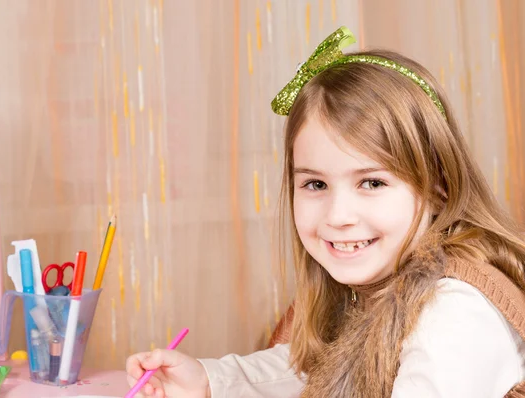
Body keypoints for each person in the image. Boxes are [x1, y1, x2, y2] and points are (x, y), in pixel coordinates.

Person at [125, 26, 525, 397]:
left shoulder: (454, 310)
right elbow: (319, 368)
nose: (338, 216)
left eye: (372, 183)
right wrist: (209, 381)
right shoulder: (372, 284)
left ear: (438, 185)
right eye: (316, 185)